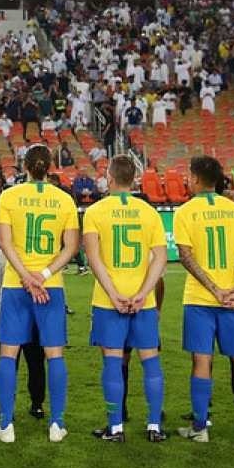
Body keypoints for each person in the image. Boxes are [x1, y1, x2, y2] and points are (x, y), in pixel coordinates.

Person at [0, 144, 79, 444]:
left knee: (8, 353)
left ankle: (6, 425)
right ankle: (56, 424)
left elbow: (5, 243)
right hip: (50, 287)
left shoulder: (9, 196)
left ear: (24, 166)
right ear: (51, 166)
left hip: (17, 285)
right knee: (54, 355)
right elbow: (70, 247)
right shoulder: (64, 200)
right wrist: (41, 275)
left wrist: (27, 277)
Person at [173, 155, 234, 443]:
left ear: (197, 179)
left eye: (189, 176)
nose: (187, 180)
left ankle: (200, 428)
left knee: (202, 361)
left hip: (201, 299)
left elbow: (186, 257)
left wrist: (214, 290)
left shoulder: (185, 212)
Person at [82, 155, 169, 443]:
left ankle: (115, 427)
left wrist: (114, 294)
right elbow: (160, 258)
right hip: (143, 302)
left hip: (110, 302)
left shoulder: (95, 212)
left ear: (109, 177)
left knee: (112, 363)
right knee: (151, 362)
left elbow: (93, 259)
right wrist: (143, 294)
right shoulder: (149, 212)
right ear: (134, 179)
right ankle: (154, 426)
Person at [0, 249, 45, 419]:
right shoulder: (39, 253)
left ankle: (6, 407)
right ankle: (37, 405)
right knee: (36, 362)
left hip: (9, 312)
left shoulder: (0, 254)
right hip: (36, 311)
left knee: (8, 361)